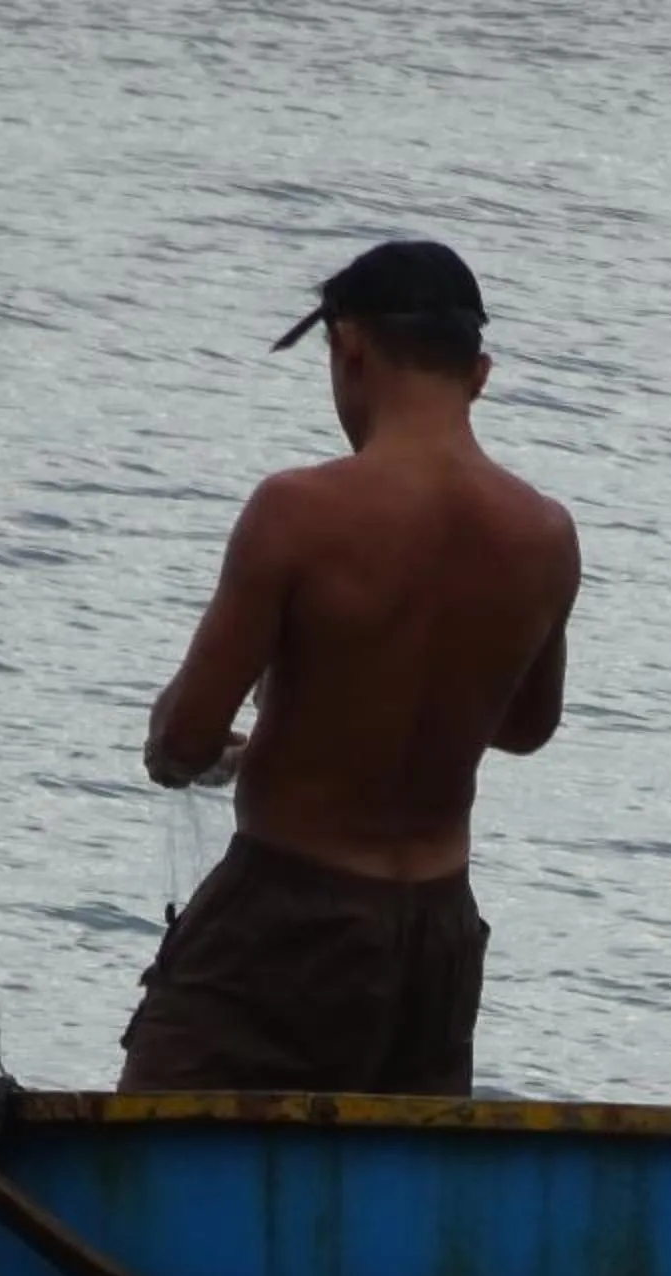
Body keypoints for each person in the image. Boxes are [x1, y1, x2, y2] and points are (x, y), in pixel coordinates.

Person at [119, 240, 581, 1096]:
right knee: (395, 1193)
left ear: (350, 349)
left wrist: (181, 737)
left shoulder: (298, 512)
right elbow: (526, 727)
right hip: (436, 940)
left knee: (163, 1164)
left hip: (283, 923)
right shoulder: (545, 534)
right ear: (479, 373)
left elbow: (183, 741)